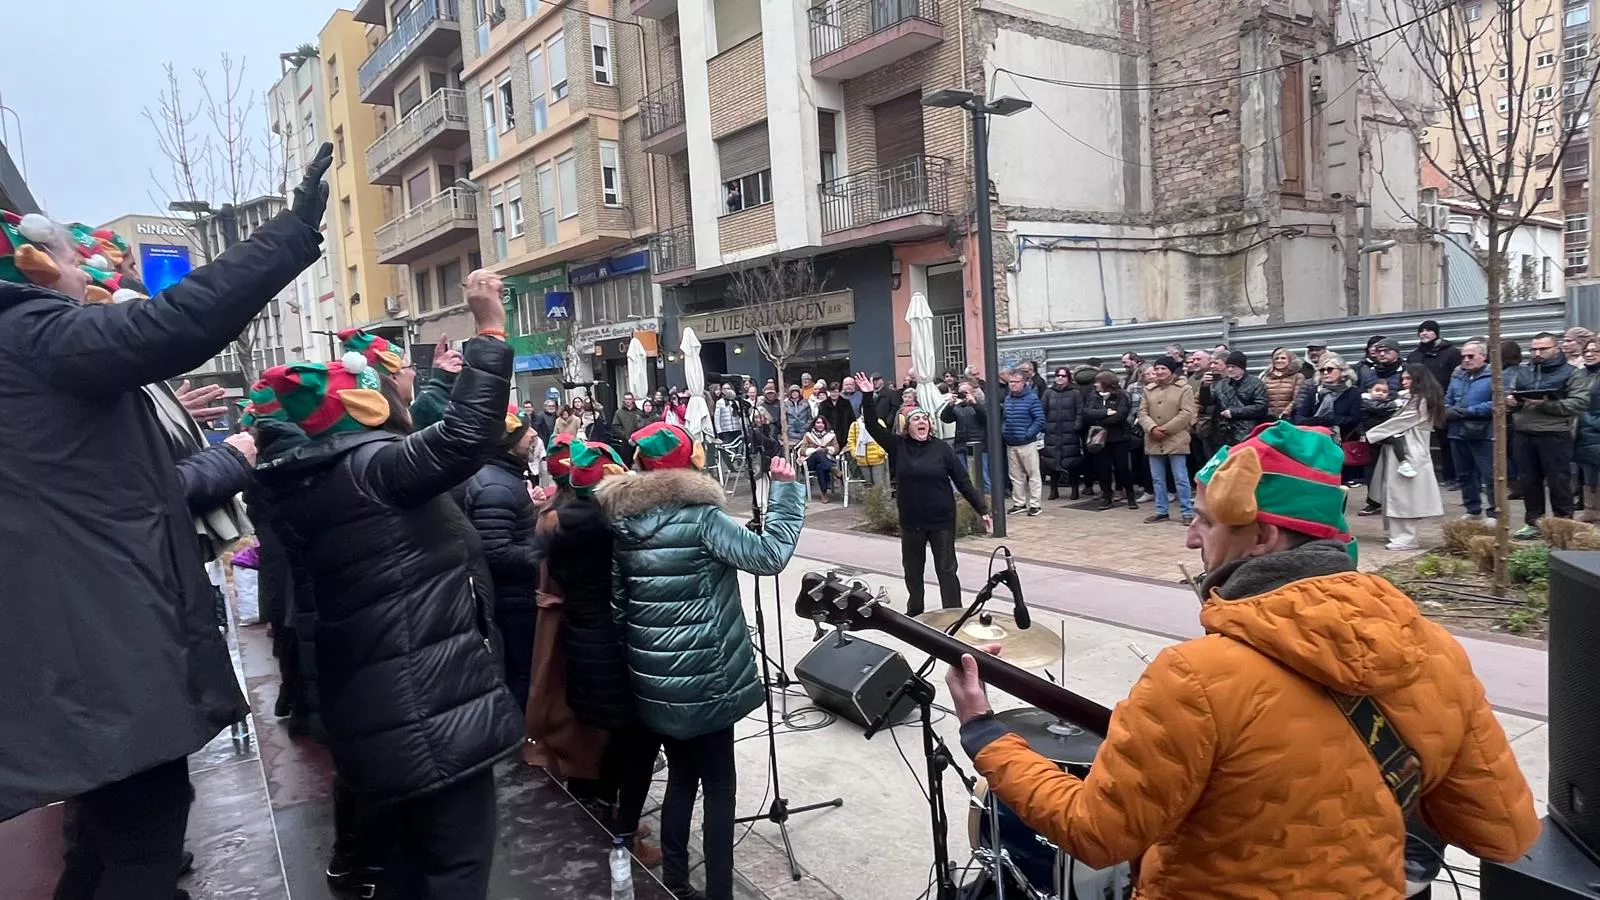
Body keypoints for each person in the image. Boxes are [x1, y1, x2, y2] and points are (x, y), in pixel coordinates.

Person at [945, 420, 1540, 899]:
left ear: (1262, 538)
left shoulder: (1197, 678)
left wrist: (984, 732)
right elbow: (1502, 831)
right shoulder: (1436, 652)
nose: (1189, 539)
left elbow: (1095, 833)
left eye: (1203, 521)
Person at [0, 145, 329, 899]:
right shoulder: (34, 334)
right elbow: (176, 320)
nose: (86, 268)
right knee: (146, 843)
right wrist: (288, 233)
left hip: (74, 648)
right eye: (71, 257)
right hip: (103, 651)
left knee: (103, 841)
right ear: (35, 266)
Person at [247, 269, 523, 898]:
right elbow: (463, 438)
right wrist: (490, 329)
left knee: (402, 867)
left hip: (376, 710)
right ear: (366, 406)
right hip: (427, 706)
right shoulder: (370, 468)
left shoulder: (309, 476)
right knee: (456, 867)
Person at [597, 422, 806, 900]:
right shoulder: (703, 520)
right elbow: (769, 555)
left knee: (680, 782)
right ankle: (718, 894)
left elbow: (618, 607)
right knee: (718, 789)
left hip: (656, 683)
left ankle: (676, 881)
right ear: (691, 464)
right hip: (708, 680)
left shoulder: (624, 524)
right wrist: (788, 494)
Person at [858, 372, 991, 615]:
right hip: (911, 521)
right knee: (913, 570)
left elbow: (963, 481)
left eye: (925, 419)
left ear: (930, 425)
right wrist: (867, 395)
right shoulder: (898, 446)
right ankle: (915, 610)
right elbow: (870, 425)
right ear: (907, 427)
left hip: (941, 520)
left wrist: (982, 509)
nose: (922, 421)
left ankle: (953, 613)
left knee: (946, 569)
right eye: (916, 419)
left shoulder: (942, 449)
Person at [457, 403, 544, 709]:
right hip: (513, 600)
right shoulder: (496, 486)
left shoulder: (498, 478)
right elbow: (495, 551)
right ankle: (518, 742)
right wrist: (542, 551)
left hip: (509, 597)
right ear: (508, 442)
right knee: (521, 674)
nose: (532, 434)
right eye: (524, 432)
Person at [1507, 332, 1594, 538]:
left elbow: (1579, 403)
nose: (1537, 353)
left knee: (1558, 482)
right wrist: (1512, 402)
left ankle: (1562, 524)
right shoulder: (1523, 372)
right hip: (1523, 433)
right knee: (1529, 481)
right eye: (1534, 349)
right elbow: (1511, 395)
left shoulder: (1572, 373)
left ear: (1556, 348)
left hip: (1555, 433)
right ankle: (1534, 523)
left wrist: (1548, 405)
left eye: (1542, 349)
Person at [1367, 366, 1447, 551]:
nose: (1403, 382)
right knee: (1393, 493)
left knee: (1405, 496)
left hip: (1411, 450)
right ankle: (1396, 534)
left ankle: (1407, 537)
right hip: (1401, 448)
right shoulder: (1412, 399)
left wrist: (1372, 434)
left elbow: (1401, 422)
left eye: (1408, 378)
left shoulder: (1422, 401)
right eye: (1403, 378)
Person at [1137, 356, 1198, 525]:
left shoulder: (1183, 389)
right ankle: (1161, 510)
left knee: (1181, 477)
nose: (1159, 372)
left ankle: (1186, 512)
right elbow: (1142, 413)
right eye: (1157, 369)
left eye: (1163, 368)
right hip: (1153, 438)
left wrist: (1165, 429)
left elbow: (1187, 412)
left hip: (1176, 438)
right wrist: (1152, 428)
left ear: (1171, 370)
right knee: (1157, 478)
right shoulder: (1148, 389)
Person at [1444, 341, 1498, 524]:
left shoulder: (1494, 376)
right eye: (1463, 356)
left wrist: (1469, 411)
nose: (1466, 360)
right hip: (1457, 431)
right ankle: (1472, 509)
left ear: (1483, 356)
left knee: (1490, 474)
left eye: (1471, 356)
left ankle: (1494, 513)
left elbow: (1496, 403)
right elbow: (1448, 399)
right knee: (1464, 474)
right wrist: (1448, 410)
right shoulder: (1458, 376)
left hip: (1483, 433)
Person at [1084, 371, 1138, 510]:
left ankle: (1131, 496)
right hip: (1100, 439)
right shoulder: (1093, 396)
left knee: (1122, 468)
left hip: (1119, 438)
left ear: (1106, 384)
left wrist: (1100, 419)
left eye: (1098, 382)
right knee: (1103, 469)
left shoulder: (1122, 396)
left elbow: (1120, 416)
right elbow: (1088, 413)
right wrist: (1105, 412)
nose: (1095, 385)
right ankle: (1106, 497)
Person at [1002, 372, 1047, 516]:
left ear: (1023, 383)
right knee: (1015, 476)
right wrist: (1004, 432)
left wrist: (1027, 434)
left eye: (1015, 381)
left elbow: (1040, 420)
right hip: (1011, 442)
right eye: (1010, 382)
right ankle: (1019, 503)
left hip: (1027, 443)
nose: (1012, 384)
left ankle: (1035, 505)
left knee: (1033, 474)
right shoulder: (1008, 399)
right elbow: (1004, 419)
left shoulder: (1032, 399)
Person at [1040, 366, 1085, 501]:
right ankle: (1054, 490)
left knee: (1072, 462)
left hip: (1070, 433)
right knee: (1052, 462)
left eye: (1063, 376)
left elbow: (1080, 411)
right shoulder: (1048, 393)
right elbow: (1042, 411)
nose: (1060, 378)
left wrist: (1076, 426)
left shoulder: (1075, 393)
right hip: (1052, 433)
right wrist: (1045, 427)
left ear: (1068, 378)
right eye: (1058, 375)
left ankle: (1074, 489)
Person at [1208, 351, 1267, 447]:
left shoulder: (1256, 383)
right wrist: (1205, 387)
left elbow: (1261, 407)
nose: (1230, 369)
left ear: (1242, 368)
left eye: (1233, 367)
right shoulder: (1221, 384)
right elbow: (1207, 401)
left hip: (1246, 433)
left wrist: (1234, 412)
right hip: (1223, 434)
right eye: (1228, 366)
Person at [942, 380, 990, 492]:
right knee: (962, 476)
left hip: (979, 446)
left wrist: (974, 404)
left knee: (983, 476)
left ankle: (989, 501)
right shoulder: (957, 407)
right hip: (960, 445)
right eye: (961, 392)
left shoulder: (981, 405)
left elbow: (986, 418)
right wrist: (950, 405)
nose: (963, 395)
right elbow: (945, 418)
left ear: (972, 392)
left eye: (966, 392)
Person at [1576, 339, 1600, 523]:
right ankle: (1591, 510)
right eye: (1587, 350)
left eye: (1595, 350)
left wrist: (1588, 419)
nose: (1590, 354)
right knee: (1587, 471)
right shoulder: (1580, 374)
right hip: (1583, 431)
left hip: (1594, 426)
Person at [797, 414, 841, 501]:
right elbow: (802, 450)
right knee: (818, 453)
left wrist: (827, 449)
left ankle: (824, 493)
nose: (820, 425)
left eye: (822, 423)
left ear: (825, 425)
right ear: (814, 424)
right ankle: (833, 468)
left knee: (820, 466)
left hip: (824, 460)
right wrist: (814, 449)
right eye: (818, 423)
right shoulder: (808, 435)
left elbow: (836, 448)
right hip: (810, 460)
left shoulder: (831, 435)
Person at [1262, 346, 1306, 420]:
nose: (1279, 361)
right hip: (1269, 419)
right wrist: (1269, 414)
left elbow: (1297, 398)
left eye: (1283, 358)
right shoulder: (1266, 377)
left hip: (1290, 418)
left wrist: (1285, 413)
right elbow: (1262, 398)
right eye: (1277, 358)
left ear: (1290, 360)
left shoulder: (1298, 376)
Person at [845, 414, 888, 487]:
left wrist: (881, 452)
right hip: (862, 459)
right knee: (867, 485)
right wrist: (854, 453)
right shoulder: (855, 424)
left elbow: (885, 438)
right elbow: (851, 441)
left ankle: (879, 498)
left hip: (877, 459)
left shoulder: (879, 422)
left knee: (879, 484)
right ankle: (868, 498)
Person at [612, 392, 643, 466]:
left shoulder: (639, 412)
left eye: (629, 399)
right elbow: (616, 426)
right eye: (626, 399)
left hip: (638, 442)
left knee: (639, 462)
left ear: (633, 400)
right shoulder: (619, 413)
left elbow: (642, 426)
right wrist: (625, 436)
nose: (628, 401)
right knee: (626, 463)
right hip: (625, 442)